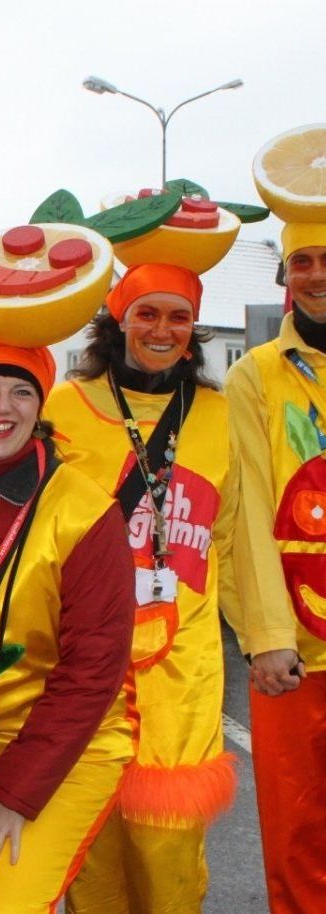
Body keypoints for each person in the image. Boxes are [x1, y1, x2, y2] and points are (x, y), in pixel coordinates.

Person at [45, 264, 237, 912]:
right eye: (146, 314)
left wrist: (265, 637)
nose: (162, 330)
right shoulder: (67, 407)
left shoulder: (219, 415)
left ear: (193, 331)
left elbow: (236, 537)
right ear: (118, 320)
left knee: (168, 853)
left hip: (182, 668)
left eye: (177, 316)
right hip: (86, 656)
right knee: (91, 845)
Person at [0, 328, 134, 913]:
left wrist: (15, 794)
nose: (2, 408)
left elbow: (93, 671)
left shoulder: (85, 509)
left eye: (22, 392)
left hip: (63, 748)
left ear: (41, 407)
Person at [223, 220, 326, 913]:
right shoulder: (254, 375)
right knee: (299, 828)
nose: (317, 274)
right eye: (303, 262)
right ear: (284, 275)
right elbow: (248, 511)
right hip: (300, 641)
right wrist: (267, 635)